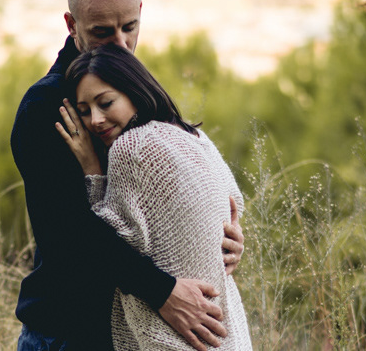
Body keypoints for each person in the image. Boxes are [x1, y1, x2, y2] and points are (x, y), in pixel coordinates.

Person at [11, 0, 245, 351]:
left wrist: (223, 235)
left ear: (140, 13)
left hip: (128, 330)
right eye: (102, 32)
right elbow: (70, 230)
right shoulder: (47, 107)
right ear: (71, 26)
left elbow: (177, 184)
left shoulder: (128, 86)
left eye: (129, 28)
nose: (120, 44)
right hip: (69, 330)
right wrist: (163, 292)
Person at [55, 43, 253, 350]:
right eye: (84, 111)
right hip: (227, 332)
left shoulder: (130, 148)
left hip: (174, 338)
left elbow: (113, 245)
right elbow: (233, 202)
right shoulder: (195, 138)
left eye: (105, 103)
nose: (94, 120)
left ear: (133, 90)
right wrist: (233, 233)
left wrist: (93, 172)